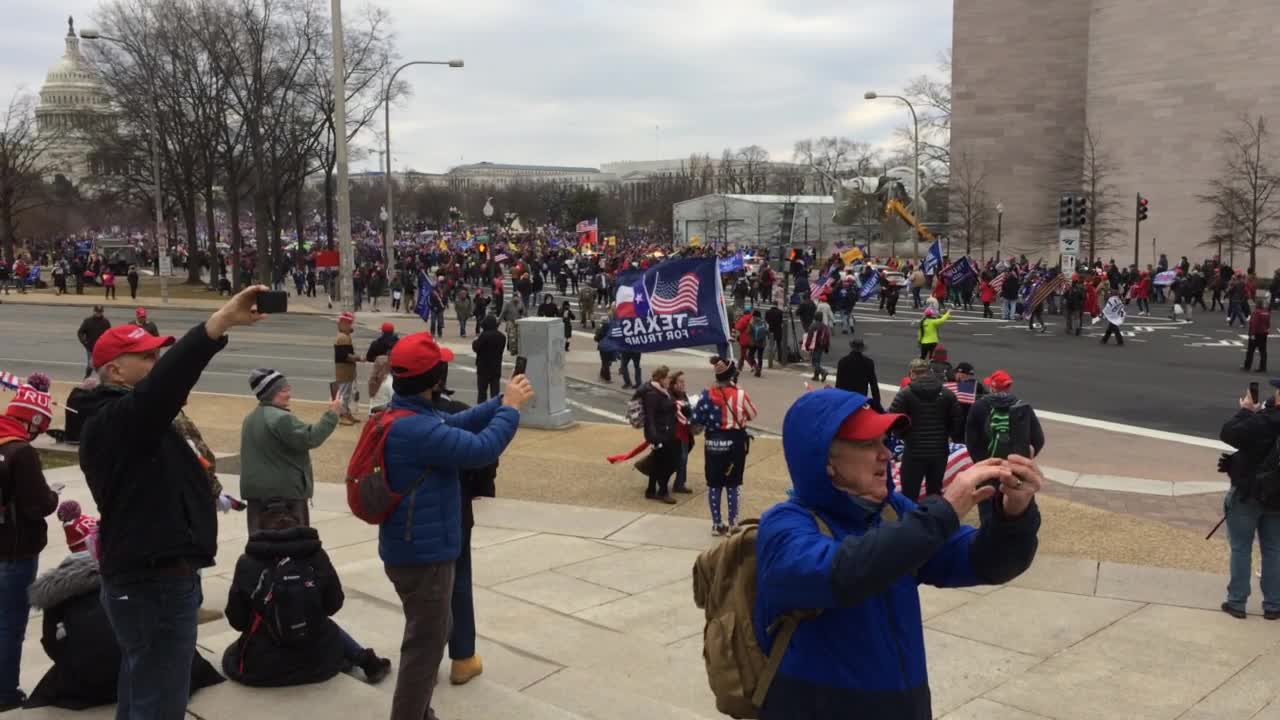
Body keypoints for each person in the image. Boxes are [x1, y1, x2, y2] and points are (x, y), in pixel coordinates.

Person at [753, 389, 1043, 719]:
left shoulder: (893, 512)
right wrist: (945, 509)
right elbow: (841, 574)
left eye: (884, 441)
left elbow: (986, 564)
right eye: (867, 444)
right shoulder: (784, 525)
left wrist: (1013, 514)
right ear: (826, 461)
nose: (886, 454)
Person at [78, 285, 269, 719]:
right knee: (160, 704)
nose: (156, 362)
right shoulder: (116, 422)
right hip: (154, 587)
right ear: (114, 372)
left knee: (142, 690)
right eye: (145, 357)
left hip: (151, 578)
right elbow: (166, 386)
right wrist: (217, 325)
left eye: (155, 354)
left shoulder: (130, 422)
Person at [380, 332, 531, 720]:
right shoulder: (417, 429)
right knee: (424, 648)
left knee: (433, 630)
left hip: (416, 548)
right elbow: (479, 450)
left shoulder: (405, 414)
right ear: (435, 379)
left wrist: (500, 400)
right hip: (425, 556)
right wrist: (511, 411)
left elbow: (457, 421)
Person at [23, 552, 226, 711]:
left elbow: (51, 645)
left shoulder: (56, 595)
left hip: (88, 682)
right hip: (139, 673)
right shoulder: (130, 580)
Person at [222, 504, 391, 687]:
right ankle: (367, 661)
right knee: (323, 622)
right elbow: (333, 605)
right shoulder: (316, 556)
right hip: (319, 659)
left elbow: (237, 620)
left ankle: (364, 660)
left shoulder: (248, 563)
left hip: (263, 667)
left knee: (245, 642)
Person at [428, 369, 498, 686]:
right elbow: (485, 453)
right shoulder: (455, 413)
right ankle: (462, 657)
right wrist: (481, 487)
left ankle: (423, 659)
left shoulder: (395, 415)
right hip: (453, 510)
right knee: (459, 580)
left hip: (409, 517)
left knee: (420, 591)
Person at [0, 380, 59, 711]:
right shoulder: (21, 452)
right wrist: (53, 497)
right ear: (33, 421)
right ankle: (5, 692)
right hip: (16, 549)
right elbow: (38, 504)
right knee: (10, 624)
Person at [239, 368, 342, 531]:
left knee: (260, 548)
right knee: (295, 547)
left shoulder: (250, 419)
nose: (290, 394)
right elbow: (310, 437)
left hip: (257, 497)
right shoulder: (281, 419)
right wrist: (333, 414)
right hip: (284, 499)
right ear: (271, 393)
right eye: (285, 390)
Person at [1218, 380, 1280, 619]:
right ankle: (1274, 604)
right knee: (1274, 549)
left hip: (1248, 492)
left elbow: (1229, 432)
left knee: (1241, 547)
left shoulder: (1265, 420)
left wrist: (1246, 410)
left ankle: (1237, 601)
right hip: (1277, 497)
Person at [691, 358, 757, 534]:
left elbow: (696, 423)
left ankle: (717, 523)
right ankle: (733, 523)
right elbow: (752, 414)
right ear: (731, 375)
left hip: (713, 443)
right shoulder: (740, 394)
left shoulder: (706, 394)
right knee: (733, 483)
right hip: (734, 443)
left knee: (714, 483)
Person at [890, 358, 961, 499]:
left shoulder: (905, 394)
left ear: (911, 373)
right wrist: (946, 435)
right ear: (929, 372)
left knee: (909, 493)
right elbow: (957, 421)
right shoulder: (947, 394)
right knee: (934, 493)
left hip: (914, 451)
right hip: (939, 451)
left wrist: (904, 436)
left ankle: (910, 519)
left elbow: (893, 420)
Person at [334, 311, 363, 425]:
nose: (351, 326)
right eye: (350, 324)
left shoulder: (345, 336)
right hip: (344, 370)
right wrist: (359, 358)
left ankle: (346, 413)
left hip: (347, 370)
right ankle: (342, 415)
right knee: (344, 394)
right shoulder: (343, 338)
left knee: (346, 393)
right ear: (344, 324)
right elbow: (345, 356)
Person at [835, 338, 881, 408]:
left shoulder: (843, 361)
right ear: (862, 349)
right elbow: (873, 384)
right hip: (860, 398)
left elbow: (838, 383)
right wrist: (877, 402)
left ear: (852, 347)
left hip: (845, 398)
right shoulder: (868, 362)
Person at [669, 370, 695, 495]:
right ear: (673, 384)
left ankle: (680, 483)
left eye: (683, 381)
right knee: (677, 458)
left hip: (684, 432)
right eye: (680, 381)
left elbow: (688, 410)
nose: (683, 384)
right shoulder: (670, 396)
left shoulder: (682, 395)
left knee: (683, 458)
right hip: (674, 432)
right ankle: (672, 483)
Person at [472, 315, 506, 403]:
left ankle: (481, 411)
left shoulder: (484, 335)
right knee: (495, 393)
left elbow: (476, 348)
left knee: (482, 393)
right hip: (496, 367)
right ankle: (495, 410)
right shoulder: (502, 337)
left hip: (483, 368)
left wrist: (475, 340)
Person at [76, 305, 111, 379]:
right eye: (97, 312)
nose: (98, 314)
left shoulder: (106, 322)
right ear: (94, 311)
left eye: (100, 312)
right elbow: (80, 332)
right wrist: (84, 342)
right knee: (90, 365)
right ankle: (86, 378)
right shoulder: (88, 321)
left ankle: (103, 380)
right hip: (91, 348)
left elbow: (109, 334)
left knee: (102, 365)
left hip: (102, 348)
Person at [803, 315, 831, 383]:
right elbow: (828, 336)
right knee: (818, 360)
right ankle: (816, 376)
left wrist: (807, 346)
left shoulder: (813, 326)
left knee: (814, 362)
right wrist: (826, 347)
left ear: (815, 318)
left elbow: (810, 337)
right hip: (822, 345)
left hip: (815, 345)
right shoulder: (824, 326)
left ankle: (823, 372)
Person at [1245, 300, 1271, 373]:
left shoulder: (1256, 312)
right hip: (1263, 333)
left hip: (1256, 333)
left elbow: (1254, 324)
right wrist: (1267, 329)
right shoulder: (1266, 312)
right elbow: (1268, 323)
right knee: (1263, 351)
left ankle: (1247, 366)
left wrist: (1252, 334)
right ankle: (1263, 367)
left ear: (1256, 305)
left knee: (1250, 351)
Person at [765, 303, 785, 369]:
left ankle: (770, 358)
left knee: (771, 344)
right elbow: (781, 321)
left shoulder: (768, 312)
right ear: (777, 305)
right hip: (778, 330)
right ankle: (780, 358)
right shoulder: (780, 312)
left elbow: (766, 321)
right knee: (779, 345)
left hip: (771, 330)